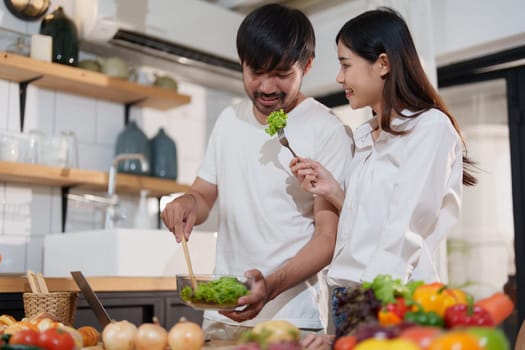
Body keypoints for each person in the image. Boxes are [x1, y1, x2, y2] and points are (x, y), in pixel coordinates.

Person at [161, 3, 353, 343]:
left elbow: (327, 239)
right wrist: (188, 202)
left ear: (307, 66)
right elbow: (205, 195)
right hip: (222, 310)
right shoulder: (228, 120)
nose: (266, 87)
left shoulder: (327, 130)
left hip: (291, 316)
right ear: (242, 64)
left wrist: (270, 286)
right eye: (256, 72)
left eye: (281, 74)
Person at [290, 6, 477, 335]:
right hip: (348, 299)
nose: (339, 77)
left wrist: (368, 317)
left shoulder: (429, 127)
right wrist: (334, 191)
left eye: (345, 64)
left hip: (390, 304)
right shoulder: (368, 136)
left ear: (383, 63)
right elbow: (374, 223)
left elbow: (403, 231)